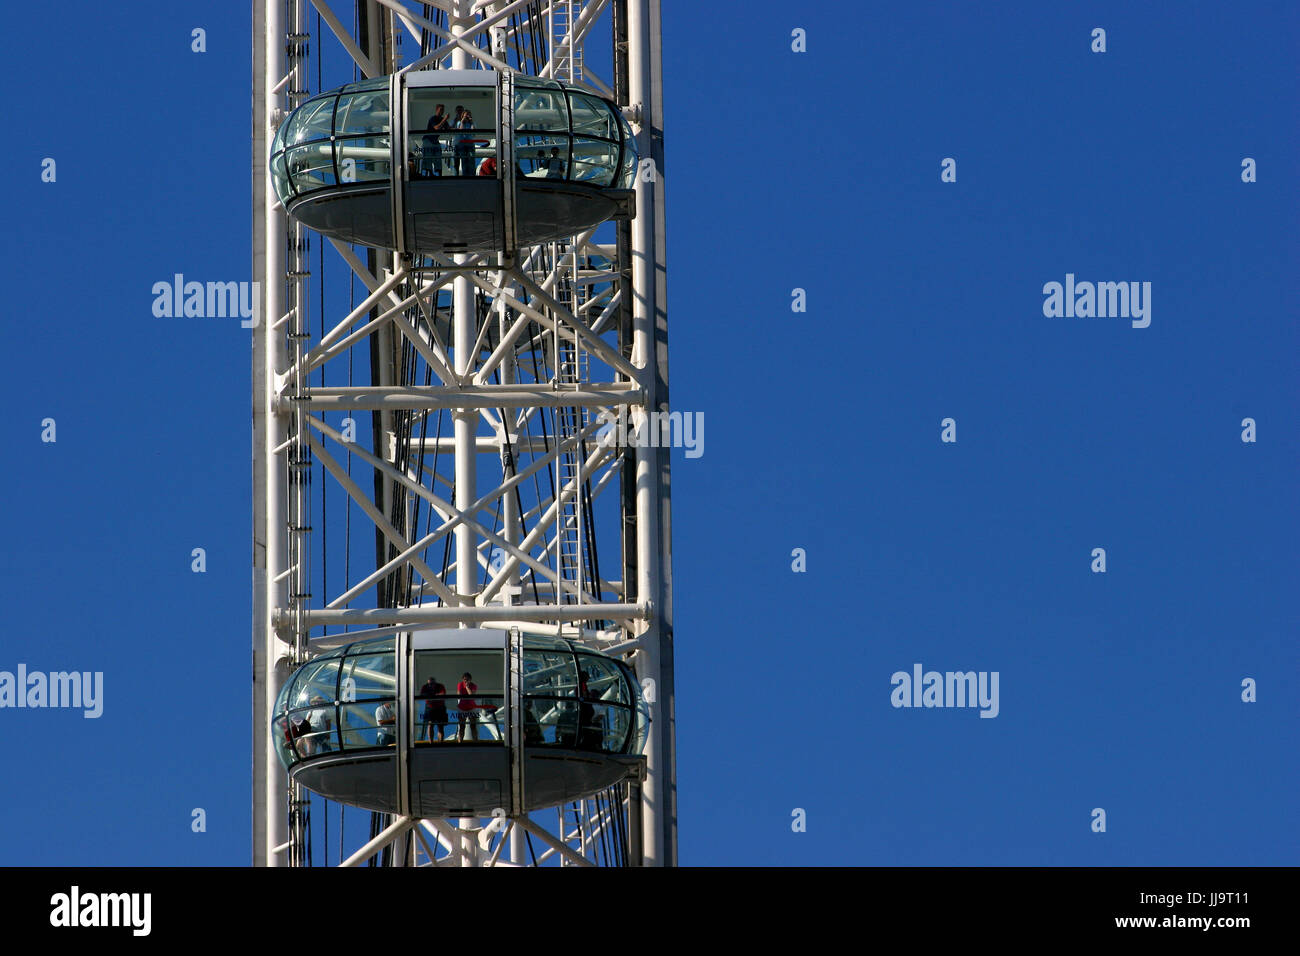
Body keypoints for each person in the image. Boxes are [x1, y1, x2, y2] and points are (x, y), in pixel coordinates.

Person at [422, 104, 448, 177]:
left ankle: (439, 174)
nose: (442, 111)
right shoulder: (433, 118)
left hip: (435, 141)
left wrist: (456, 121)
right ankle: (430, 174)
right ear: (436, 110)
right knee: (428, 158)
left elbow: (448, 128)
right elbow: (436, 128)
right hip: (428, 140)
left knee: (438, 157)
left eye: (443, 110)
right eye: (440, 109)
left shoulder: (442, 119)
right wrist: (445, 119)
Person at [419, 675, 448, 742]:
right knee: (430, 725)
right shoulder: (425, 687)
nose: (431, 685)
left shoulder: (440, 686)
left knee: (440, 726)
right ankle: (431, 742)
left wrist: (432, 696)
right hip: (430, 708)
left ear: (435, 683)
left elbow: (443, 694)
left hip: (440, 708)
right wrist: (434, 696)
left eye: (432, 684)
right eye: (429, 684)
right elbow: (422, 694)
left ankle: (440, 742)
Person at [456, 672, 479, 741]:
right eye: (464, 679)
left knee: (473, 726)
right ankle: (460, 742)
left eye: (467, 679)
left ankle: (475, 742)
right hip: (462, 708)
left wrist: (467, 687)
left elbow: (471, 696)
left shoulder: (474, 686)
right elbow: (459, 695)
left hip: (471, 708)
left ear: (470, 680)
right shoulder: (460, 684)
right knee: (462, 727)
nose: (465, 681)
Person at [455, 107, 476, 177]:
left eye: (468, 115)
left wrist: (471, 122)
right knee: (464, 161)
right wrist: (462, 122)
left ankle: (472, 175)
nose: (467, 117)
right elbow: (460, 132)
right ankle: (465, 175)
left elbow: (474, 133)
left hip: (470, 144)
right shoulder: (459, 123)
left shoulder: (472, 123)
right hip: (462, 145)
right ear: (462, 116)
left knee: (471, 161)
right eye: (466, 115)